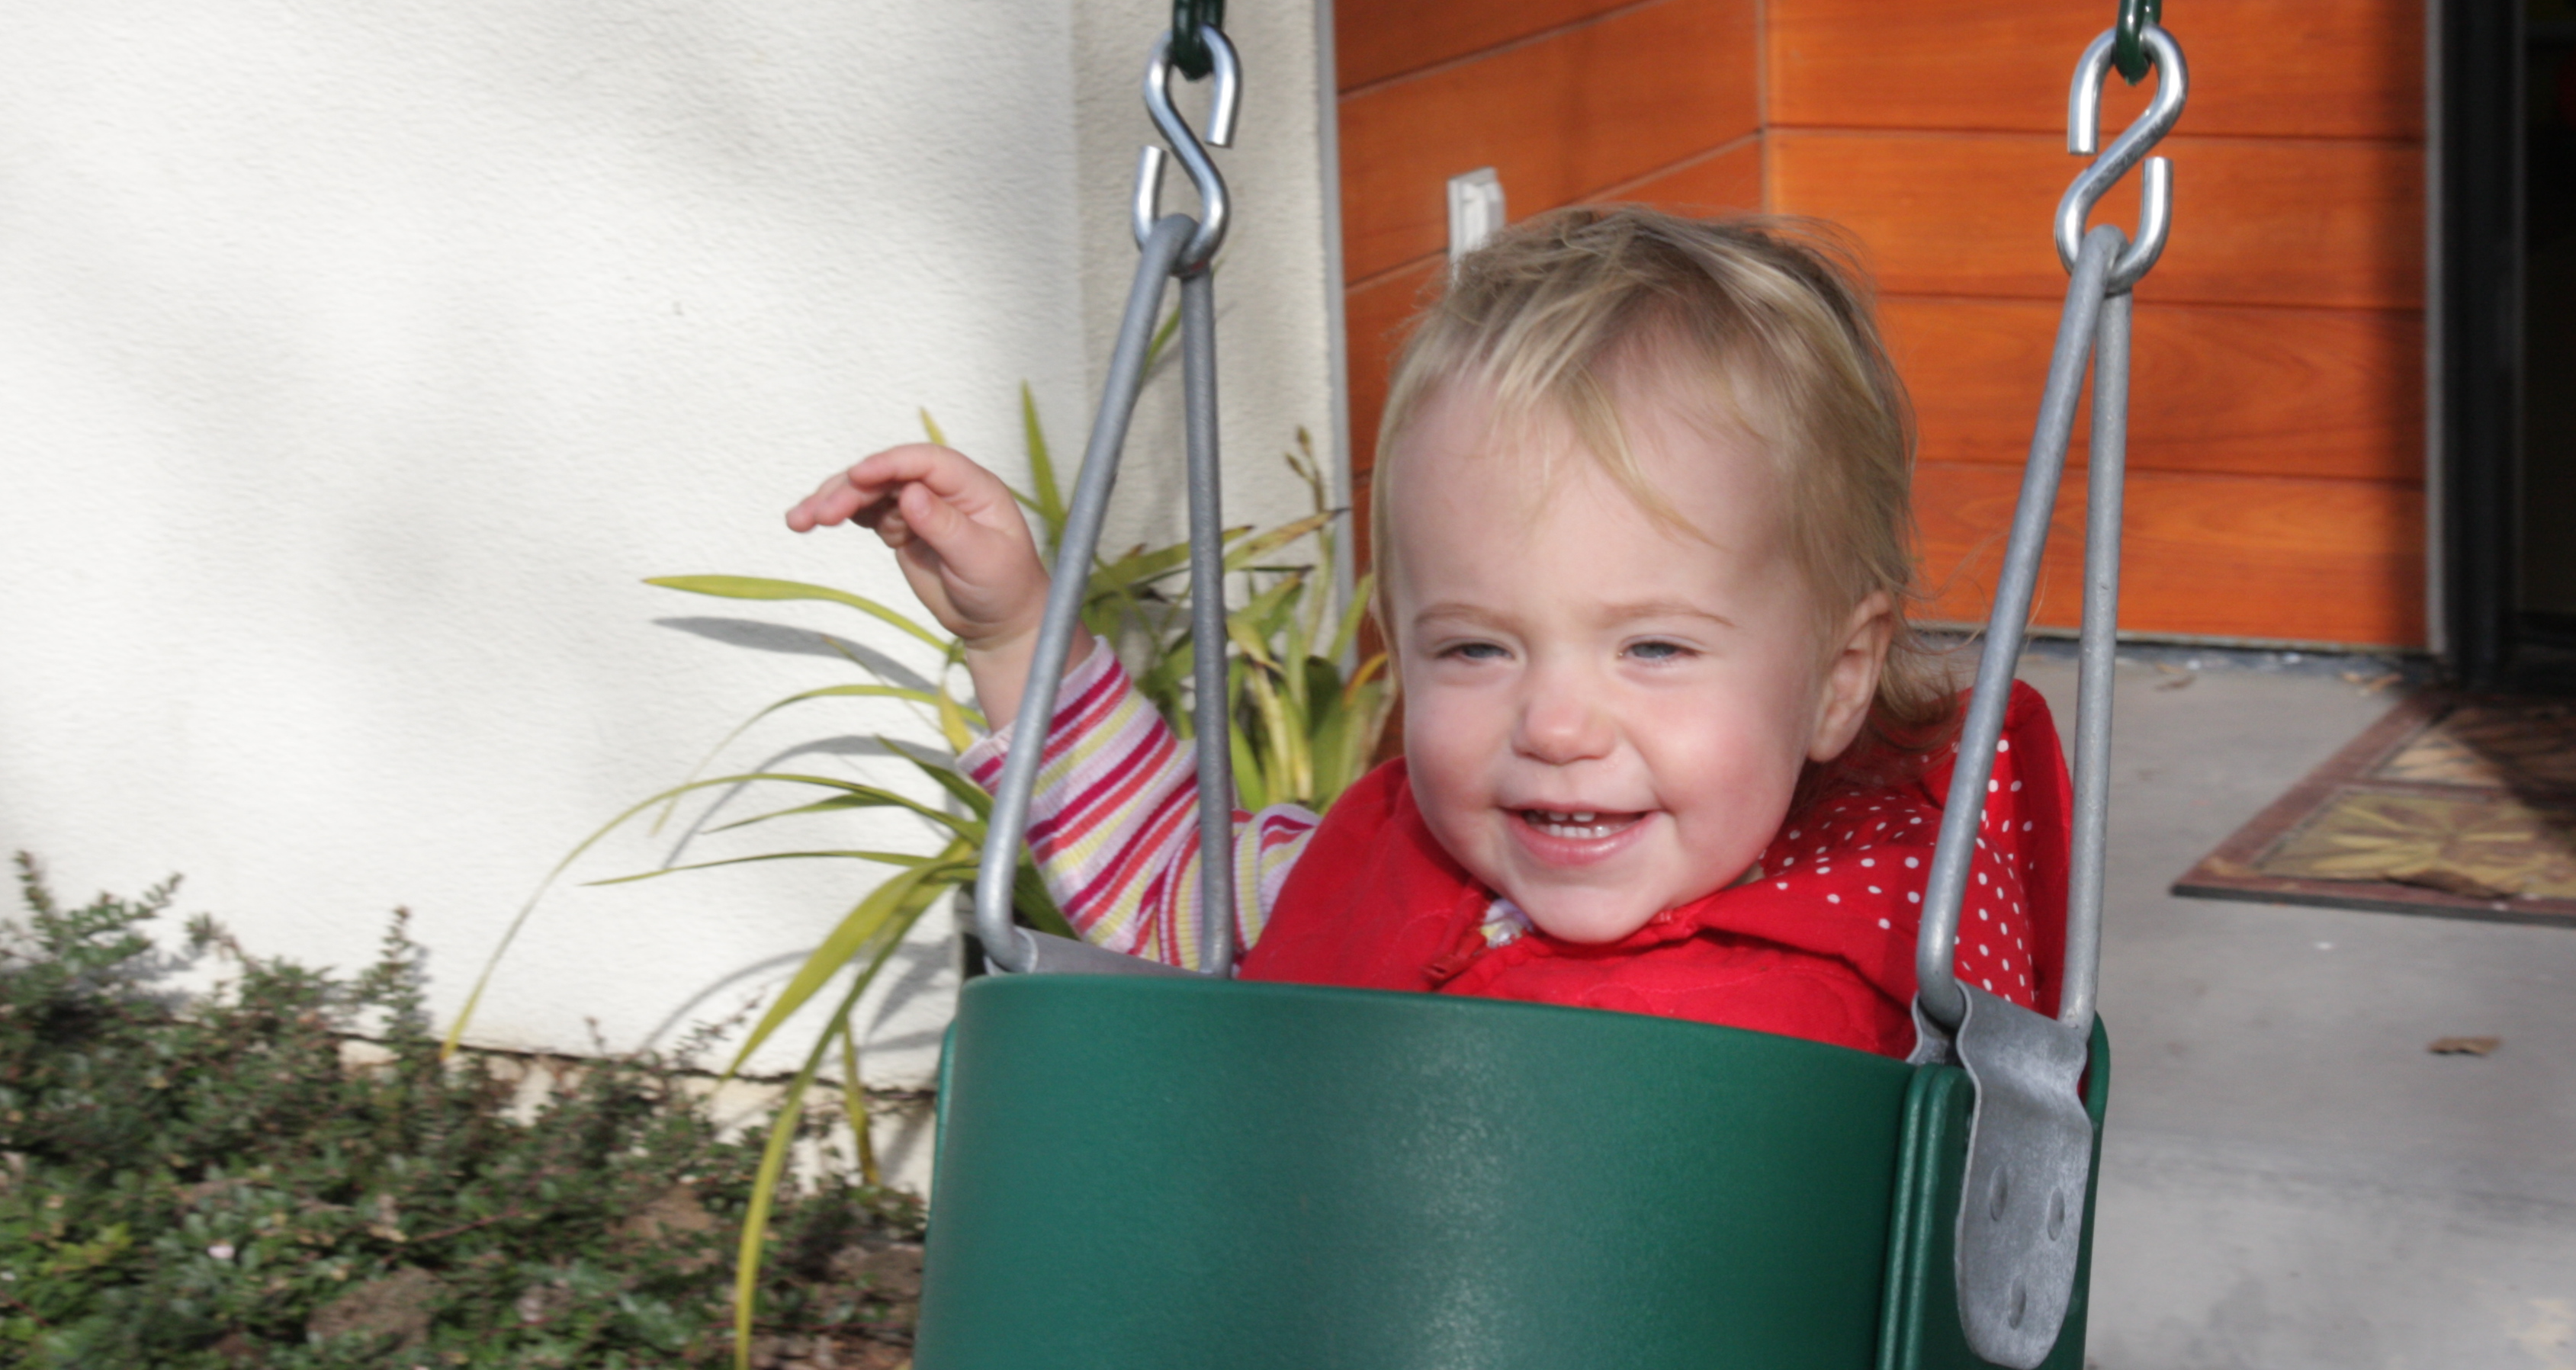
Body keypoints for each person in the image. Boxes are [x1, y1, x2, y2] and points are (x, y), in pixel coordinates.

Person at [785, 207, 2070, 1057]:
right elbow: (1171, 888)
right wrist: (1019, 635)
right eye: (1477, 650)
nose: (1556, 726)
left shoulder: (1896, 976)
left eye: (1654, 649)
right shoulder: (1378, 866)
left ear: (1838, 680)